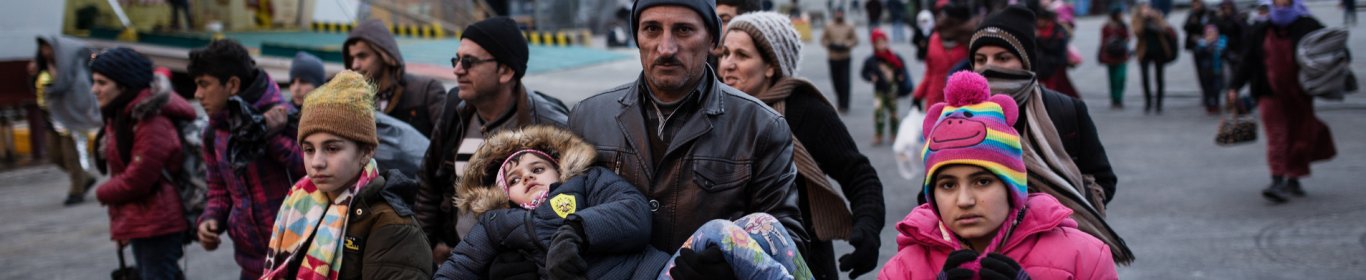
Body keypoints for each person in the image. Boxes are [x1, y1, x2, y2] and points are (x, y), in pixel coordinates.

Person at [569, 0, 808, 277]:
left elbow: (787, 240)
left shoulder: (761, 126)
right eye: (651, 29)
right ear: (637, 37)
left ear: (712, 40)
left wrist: (731, 267)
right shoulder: (587, 118)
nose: (666, 48)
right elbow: (557, 211)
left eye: (683, 30)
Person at [434, 125, 810, 280]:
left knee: (762, 222)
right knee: (719, 232)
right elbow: (458, 269)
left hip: (662, 273)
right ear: (503, 195)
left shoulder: (588, 182)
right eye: (513, 179)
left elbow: (633, 212)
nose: (527, 177)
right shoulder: (496, 225)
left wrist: (577, 229)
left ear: (559, 170)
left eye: (537, 167)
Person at [877, 71, 1118, 279]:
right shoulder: (902, 271)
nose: (964, 200)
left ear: (1011, 186)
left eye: (982, 181)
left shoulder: (1085, 258)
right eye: (948, 185)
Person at [720, 12, 886, 280]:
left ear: (771, 65)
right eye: (725, 53)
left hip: (804, 263)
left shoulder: (805, 110)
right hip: (726, 265)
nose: (727, 64)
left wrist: (868, 229)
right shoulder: (712, 110)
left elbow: (858, 174)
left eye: (741, 55)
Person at [968, 6, 1133, 264]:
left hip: (1060, 250)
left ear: (1025, 62)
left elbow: (1103, 179)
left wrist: (1066, 213)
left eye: (1002, 58)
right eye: (980, 59)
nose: (989, 68)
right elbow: (932, 190)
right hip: (985, 252)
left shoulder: (1066, 110)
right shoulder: (960, 116)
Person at [417, 16, 570, 267]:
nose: (457, 70)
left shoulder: (548, 126)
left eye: (469, 62)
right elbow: (429, 184)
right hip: (456, 259)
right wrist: (425, 250)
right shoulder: (456, 107)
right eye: (456, 60)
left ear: (506, 71)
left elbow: (566, 210)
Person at [261, 70, 432, 279]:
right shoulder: (300, 203)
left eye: (332, 148)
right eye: (309, 149)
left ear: (366, 151)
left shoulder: (393, 228)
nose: (317, 162)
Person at [188, 39, 305, 280]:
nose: (197, 94)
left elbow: (312, 171)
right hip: (251, 265)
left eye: (204, 84)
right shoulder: (214, 133)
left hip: (300, 259)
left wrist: (266, 135)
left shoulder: (286, 117)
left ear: (232, 84)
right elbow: (219, 189)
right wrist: (210, 219)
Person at [91, 47, 194, 280]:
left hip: (158, 225)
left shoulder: (150, 120)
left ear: (124, 84)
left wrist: (102, 192)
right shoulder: (122, 114)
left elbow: (139, 179)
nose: (94, 89)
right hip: (142, 221)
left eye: (102, 83)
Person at [1226, 0, 1337, 203]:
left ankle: (1293, 177)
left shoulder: (1308, 26)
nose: (1281, 4)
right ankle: (1277, 179)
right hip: (1268, 92)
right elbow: (1248, 60)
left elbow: (1330, 48)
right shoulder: (1261, 29)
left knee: (1299, 136)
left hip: (1299, 94)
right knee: (1276, 136)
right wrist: (1234, 86)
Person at [343, 19, 448, 136]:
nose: (354, 65)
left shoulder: (426, 91)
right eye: (351, 58)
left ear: (384, 55)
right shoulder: (354, 102)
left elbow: (447, 142)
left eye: (362, 56)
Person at [31, 36, 101, 205]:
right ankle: (85, 178)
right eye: (43, 49)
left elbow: (91, 54)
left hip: (71, 116)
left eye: (49, 48)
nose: (46, 52)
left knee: (70, 154)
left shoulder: (72, 66)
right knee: (54, 154)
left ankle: (76, 191)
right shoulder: (44, 67)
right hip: (51, 116)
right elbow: (38, 89)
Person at [912, 3, 972, 111]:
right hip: (935, 101)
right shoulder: (934, 39)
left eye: (943, 15)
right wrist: (918, 95)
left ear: (952, 20)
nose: (939, 19)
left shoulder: (968, 41)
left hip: (960, 104)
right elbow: (929, 72)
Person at [861, 28, 908, 146]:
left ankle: (894, 133)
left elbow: (901, 70)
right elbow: (864, 73)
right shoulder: (871, 60)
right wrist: (870, 77)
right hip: (879, 91)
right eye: (878, 43)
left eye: (883, 42)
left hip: (893, 90)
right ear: (874, 44)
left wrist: (900, 77)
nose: (881, 45)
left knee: (894, 113)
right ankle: (879, 134)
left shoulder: (894, 58)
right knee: (878, 112)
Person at [1133, 2, 1176, 114]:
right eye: (1143, 8)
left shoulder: (1157, 16)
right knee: (1145, 78)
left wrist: (1154, 18)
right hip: (1144, 52)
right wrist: (1144, 19)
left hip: (1159, 51)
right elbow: (1137, 32)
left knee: (1159, 78)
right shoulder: (1137, 18)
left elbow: (1165, 28)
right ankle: (1147, 102)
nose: (1146, 10)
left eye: (1147, 7)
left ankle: (1159, 103)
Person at [1031, 5, 1080, 98]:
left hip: (1055, 65)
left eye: (1042, 20)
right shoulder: (1036, 30)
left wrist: (1039, 38)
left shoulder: (1057, 31)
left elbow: (1054, 48)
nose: (1039, 22)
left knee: (1059, 87)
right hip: (1040, 65)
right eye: (1038, 20)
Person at [822, 9, 859, 113]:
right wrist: (830, 45)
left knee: (845, 82)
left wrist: (847, 44)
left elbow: (855, 40)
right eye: (837, 13)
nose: (839, 15)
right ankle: (839, 100)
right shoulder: (829, 26)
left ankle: (845, 104)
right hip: (833, 57)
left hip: (845, 57)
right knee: (836, 81)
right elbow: (823, 40)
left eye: (840, 13)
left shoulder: (849, 26)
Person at [1185, 0, 1217, 111]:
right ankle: (1205, 93)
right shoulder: (1192, 15)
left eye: (1197, 4)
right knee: (1200, 72)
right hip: (1197, 47)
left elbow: (1214, 26)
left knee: (1210, 72)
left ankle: (1212, 95)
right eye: (1193, 5)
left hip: (1209, 47)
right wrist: (1192, 24)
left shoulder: (1208, 14)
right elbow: (1186, 27)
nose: (1195, 6)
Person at [1098, 8, 1131, 109]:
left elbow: (1128, 38)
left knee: (1121, 78)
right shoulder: (1106, 27)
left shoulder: (1123, 25)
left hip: (1121, 55)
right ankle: (1114, 99)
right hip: (1110, 56)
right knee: (1113, 79)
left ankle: (1119, 98)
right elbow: (1103, 41)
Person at [1193, 24, 1227, 114]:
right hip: (1206, 70)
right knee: (1207, 88)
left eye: (1213, 32)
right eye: (1209, 33)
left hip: (1217, 69)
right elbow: (1197, 54)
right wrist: (1207, 44)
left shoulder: (1221, 41)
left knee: (1217, 88)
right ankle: (1209, 105)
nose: (1211, 35)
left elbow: (1224, 52)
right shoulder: (1202, 43)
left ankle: (1216, 103)